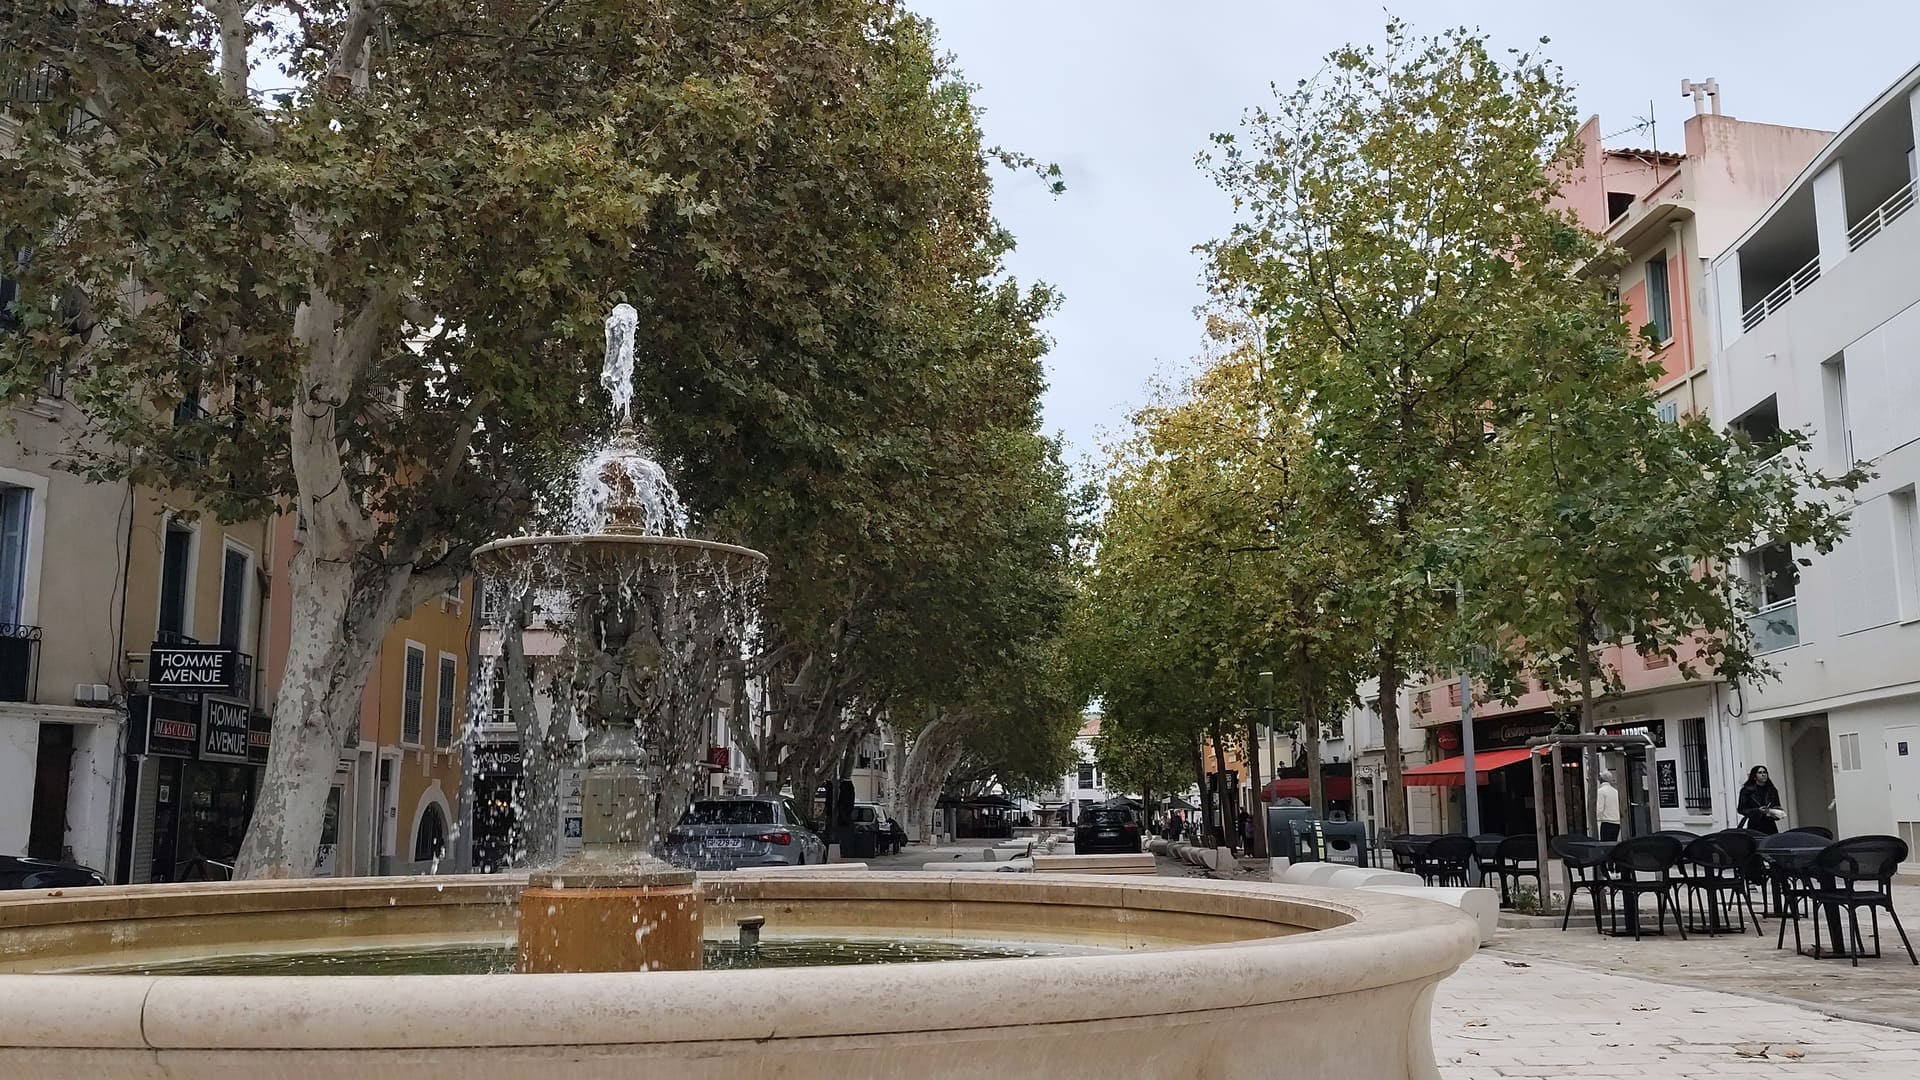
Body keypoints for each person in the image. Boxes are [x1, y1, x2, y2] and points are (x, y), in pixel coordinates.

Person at [1738, 765, 1787, 834]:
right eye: (1760, 773)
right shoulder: (1747, 791)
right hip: (1754, 825)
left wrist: (1774, 812)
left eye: (1765, 772)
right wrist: (1758, 811)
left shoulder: (1772, 790)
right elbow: (1741, 809)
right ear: (1754, 776)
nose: (1763, 775)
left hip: (1770, 824)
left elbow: (1777, 806)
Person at [1596, 770, 1622, 842]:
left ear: (1601, 779)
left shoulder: (1601, 791)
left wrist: (1597, 819)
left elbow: (1599, 808)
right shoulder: (1615, 791)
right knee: (1613, 843)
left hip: (1606, 822)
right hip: (1617, 822)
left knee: (1605, 845)